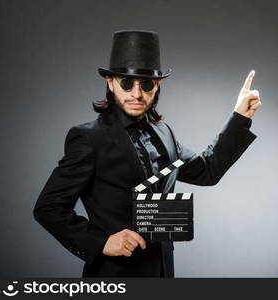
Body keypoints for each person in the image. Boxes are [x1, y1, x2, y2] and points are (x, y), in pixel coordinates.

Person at [33, 30, 262, 277]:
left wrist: (240, 117)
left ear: (157, 85)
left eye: (146, 84)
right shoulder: (89, 138)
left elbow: (207, 171)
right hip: (114, 276)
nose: (137, 93)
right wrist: (102, 242)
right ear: (110, 82)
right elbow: (48, 208)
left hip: (162, 273)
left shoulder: (165, 134)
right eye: (127, 83)